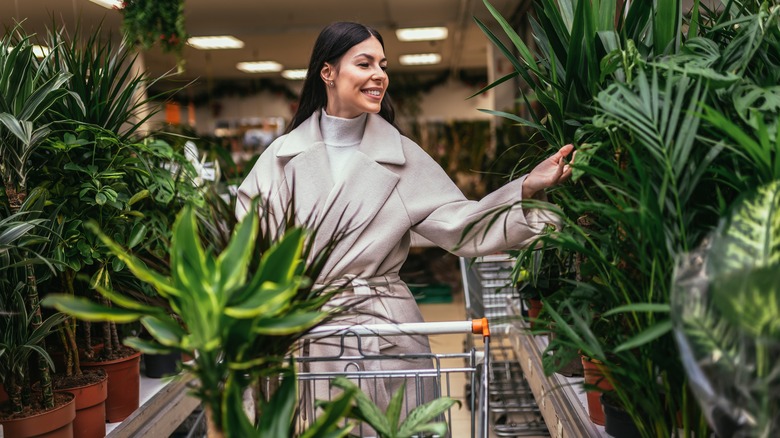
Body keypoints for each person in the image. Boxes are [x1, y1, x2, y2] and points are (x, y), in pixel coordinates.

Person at [235, 21, 573, 428]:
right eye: (364, 63)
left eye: (383, 64)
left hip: (387, 333)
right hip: (305, 335)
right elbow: (244, 250)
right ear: (328, 73)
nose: (379, 75)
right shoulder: (279, 157)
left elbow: (462, 223)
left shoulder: (400, 154)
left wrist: (525, 188)